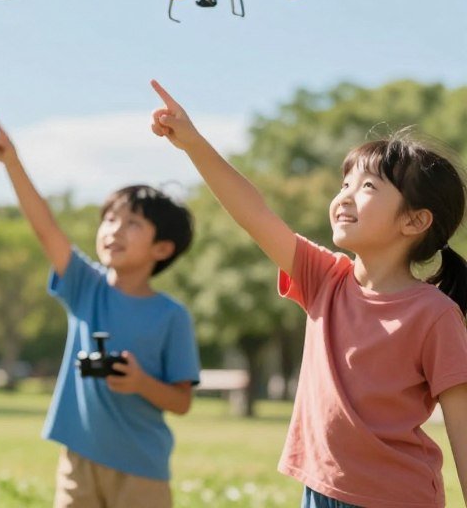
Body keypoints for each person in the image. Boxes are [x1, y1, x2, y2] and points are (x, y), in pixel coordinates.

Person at [149, 79, 467, 507]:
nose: (345, 197)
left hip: (395, 497)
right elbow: (254, 214)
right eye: (345, 184)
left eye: (368, 187)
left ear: (415, 221)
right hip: (320, 490)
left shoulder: (435, 314)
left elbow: (460, 423)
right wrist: (192, 143)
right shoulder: (324, 279)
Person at [0, 114, 200, 508]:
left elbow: (181, 402)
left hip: (142, 469)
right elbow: (46, 228)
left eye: (132, 223)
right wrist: (13, 163)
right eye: (110, 219)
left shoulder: (172, 316)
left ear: (163, 249)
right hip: (78, 458)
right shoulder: (86, 286)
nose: (113, 230)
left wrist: (139, 382)